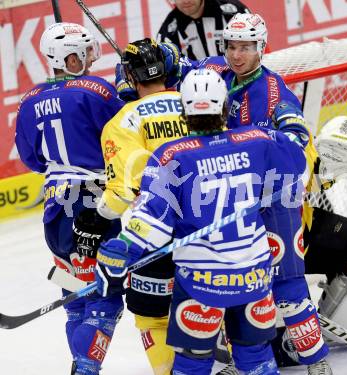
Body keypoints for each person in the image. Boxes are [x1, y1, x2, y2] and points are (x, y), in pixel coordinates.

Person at [169, 12, 347, 369]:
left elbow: (297, 136)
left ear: (261, 47)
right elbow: (180, 68)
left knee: (288, 286)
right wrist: (164, 60)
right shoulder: (216, 72)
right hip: (235, 199)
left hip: (276, 202)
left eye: (245, 47)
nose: (237, 54)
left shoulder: (274, 90)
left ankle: (317, 361)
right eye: (231, 46)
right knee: (235, 284)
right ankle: (242, 355)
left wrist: (277, 143)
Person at [93, 68, 315, 375]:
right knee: (257, 359)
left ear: (184, 111)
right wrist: (292, 121)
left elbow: (152, 224)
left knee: (193, 363)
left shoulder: (170, 155)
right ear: (225, 107)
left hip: (201, 283)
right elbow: (298, 159)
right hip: (253, 277)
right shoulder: (257, 141)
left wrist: (123, 247)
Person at [15, 23, 125, 375]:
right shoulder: (97, 90)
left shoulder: (29, 100)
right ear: (69, 56)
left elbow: (32, 159)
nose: (92, 56)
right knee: (104, 298)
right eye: (86, 51)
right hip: (91, 203)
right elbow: (124, 136)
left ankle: (82, 364)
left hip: (54, 211)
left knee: (76, 298)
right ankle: (85, 368)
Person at [96, 37, 189, 375]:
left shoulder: (121, 122)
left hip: (152, 233)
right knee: (213, 304)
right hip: (206, 227)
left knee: (153, 315)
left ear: (129, 77)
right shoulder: (199, 104)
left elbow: (121, 194)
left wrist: (97, 216)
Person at [157, 0, 250, 60]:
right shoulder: (168, 30)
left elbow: (256, 47)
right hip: (198, 87)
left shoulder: (233, 11)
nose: (185, 1)